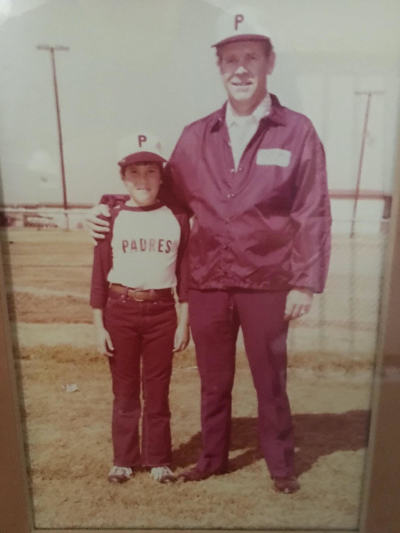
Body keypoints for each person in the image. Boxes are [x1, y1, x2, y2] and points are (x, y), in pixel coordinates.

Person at [86, 13, 331, 493]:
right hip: (209, 282)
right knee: (214, 380)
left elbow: (313, 209)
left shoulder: (296, 131)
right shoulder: (197, 135)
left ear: (269, 63)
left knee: (269, 379)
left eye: (251, 59)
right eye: (231, 60)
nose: (241, 70)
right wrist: (110, 206)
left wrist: (305, 281)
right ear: (219, 69)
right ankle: (212, 459)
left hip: (267, 281)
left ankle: (281, 466)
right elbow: (160, 192)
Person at [90, 135, 190, 484]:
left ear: (162, 176)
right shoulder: (112, 218)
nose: (143, 179)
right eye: (135, 172)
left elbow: (185, 274)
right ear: (123, 178)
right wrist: (98, 324)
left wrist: (184, 322)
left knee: (158, 388)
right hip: (120, 310)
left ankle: (159, 458)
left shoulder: (177, 217)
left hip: (163, 312)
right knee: (125, 388)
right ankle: (123, 458)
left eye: (151, 171)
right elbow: (99, 276)